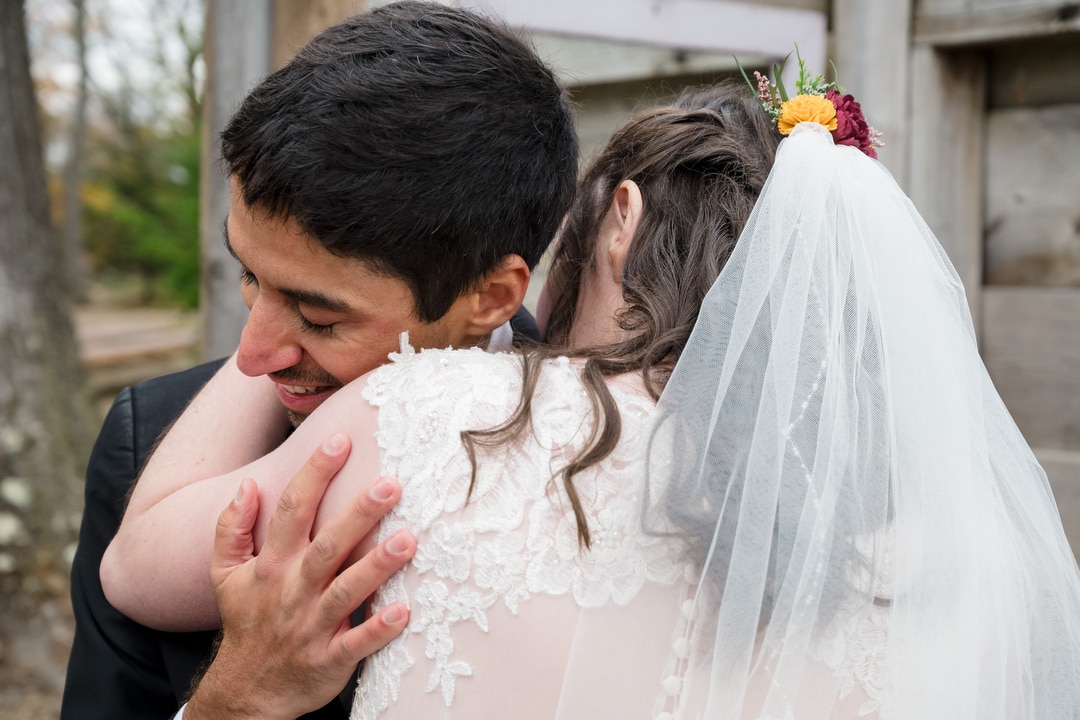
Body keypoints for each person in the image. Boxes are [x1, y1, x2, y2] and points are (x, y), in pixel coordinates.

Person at [106, 70, 1080, 719]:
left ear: (622, 216)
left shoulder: (440, 416)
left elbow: (138, 569)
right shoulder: (966, 551)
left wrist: (271, 321)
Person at [60, 3, 578, 719]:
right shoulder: (144, 440)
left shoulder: (602, 451)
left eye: (320, 317)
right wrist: (229, 703)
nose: (251, 356)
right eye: (247, 273)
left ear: (489, 296)